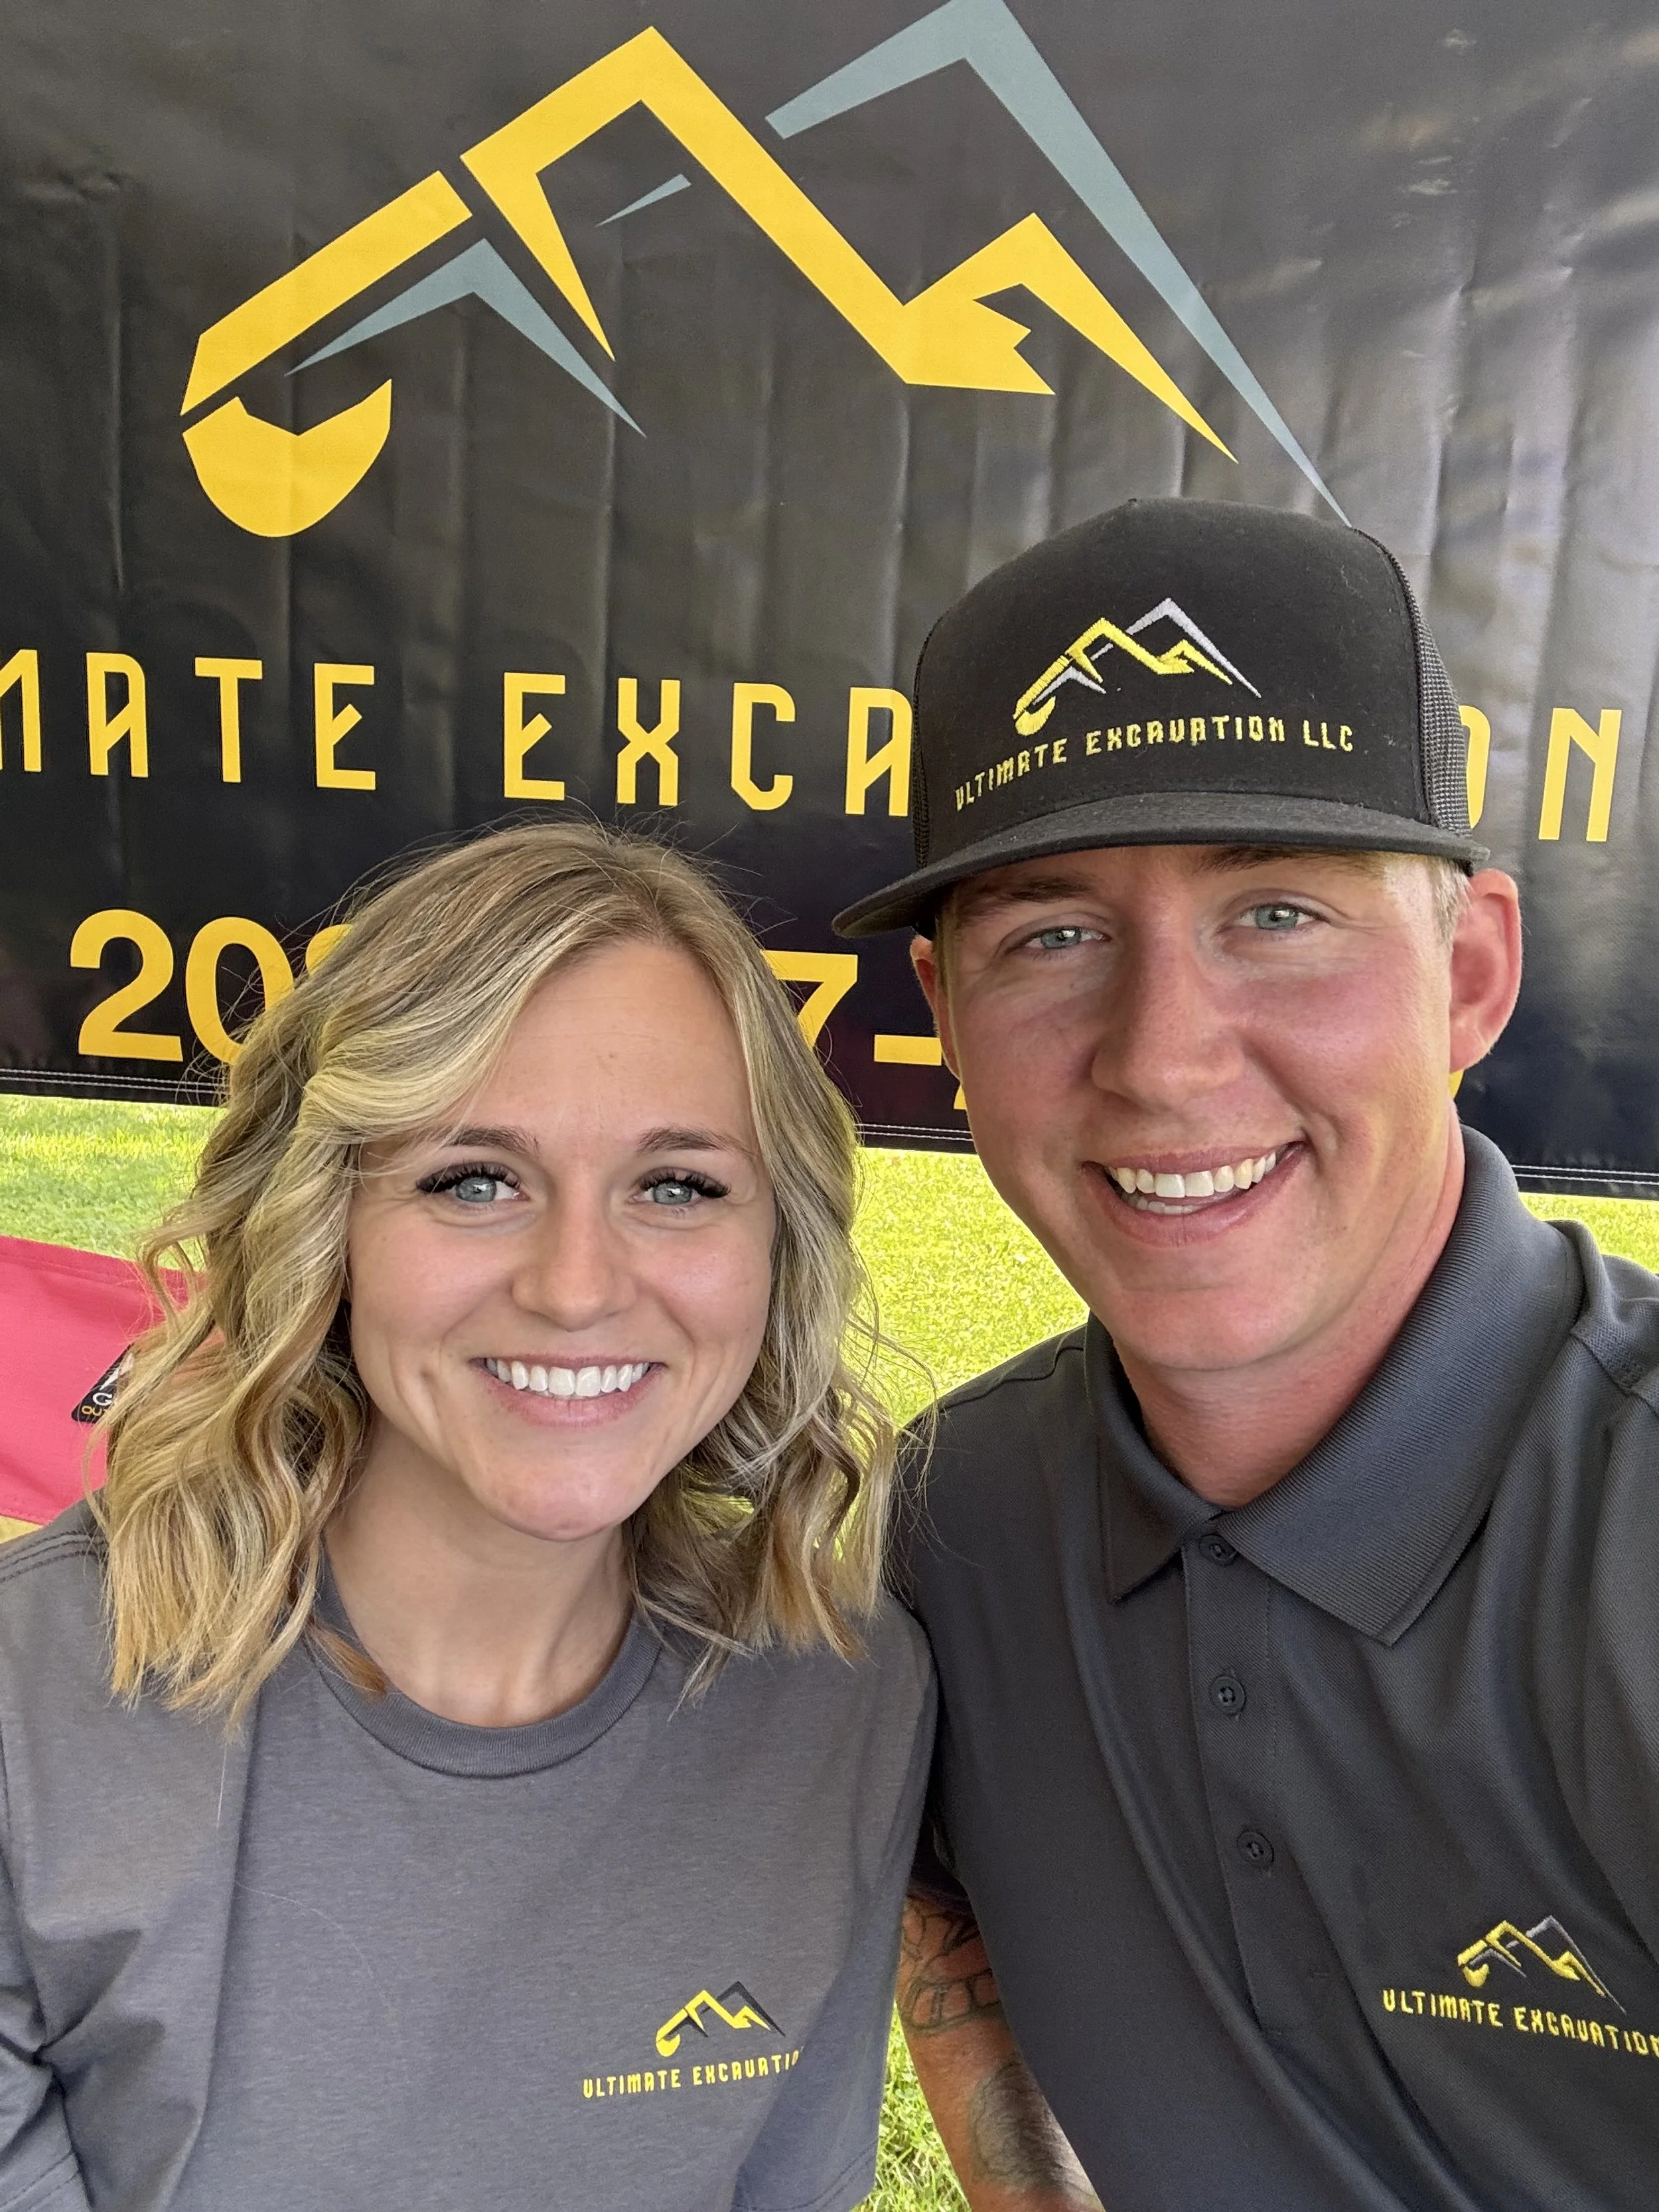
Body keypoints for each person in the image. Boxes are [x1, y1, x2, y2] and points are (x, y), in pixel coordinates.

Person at [834, 498, 1659, 2211]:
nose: (1159, 1057)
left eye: (1274, 911)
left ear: (1471, 973)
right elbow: (943, 1900)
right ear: (942, 1011)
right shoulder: (951, 1521)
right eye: (1048, 935)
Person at [0, 822, 932, 2212]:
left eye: (675, 1184)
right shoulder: (33, 1705)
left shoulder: (837, 1696)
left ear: (776, 1243)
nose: (574, 1285)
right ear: (330, 1225)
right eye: (471, 1178)